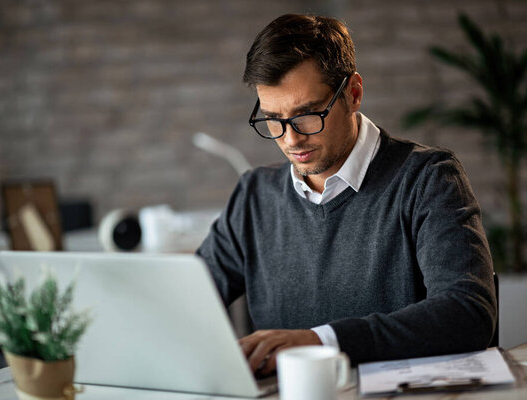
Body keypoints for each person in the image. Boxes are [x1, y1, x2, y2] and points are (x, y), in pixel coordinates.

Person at [195, 14, 496, 374]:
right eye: (273, 119)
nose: (290, 139)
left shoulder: (428, 179)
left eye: (307, 114)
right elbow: (185, 301)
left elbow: (467, 314)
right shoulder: (254, 196)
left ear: (353, 94)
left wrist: (321, 342)